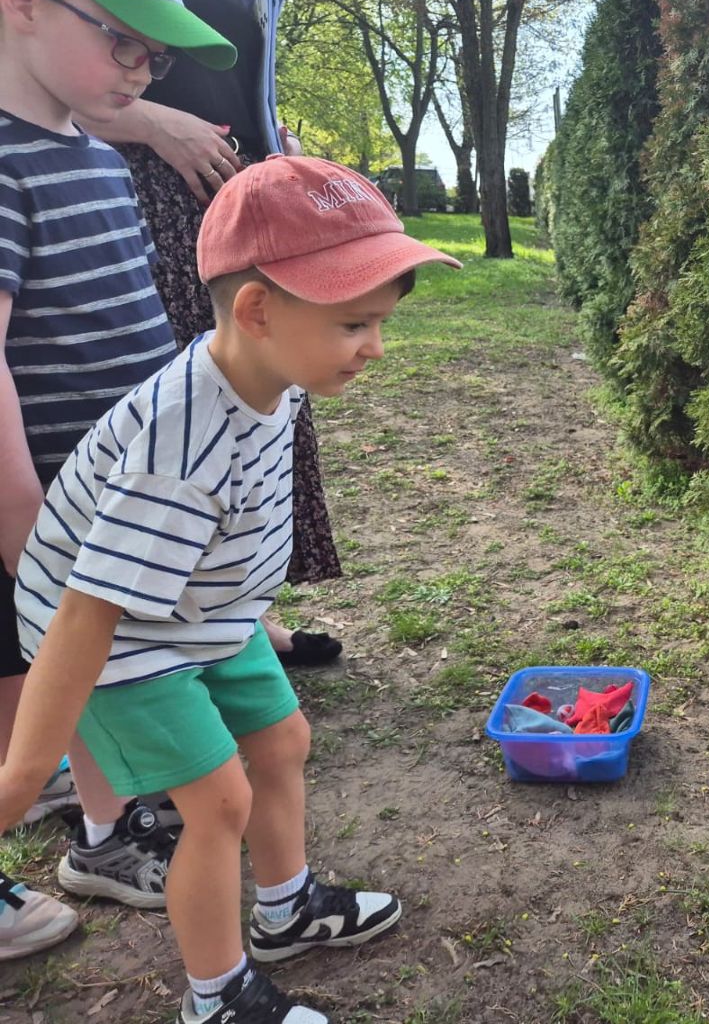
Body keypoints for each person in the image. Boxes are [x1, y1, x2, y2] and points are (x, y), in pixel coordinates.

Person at [1, 153, 460, 1021]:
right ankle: (217, 998)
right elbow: (88, 609)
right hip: (121, 637)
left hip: (205, 609)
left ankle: (286, 911)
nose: (375, 347)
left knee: (282, 740)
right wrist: (25, 772)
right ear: (256, 310)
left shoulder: (269, 375)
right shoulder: (182, 447)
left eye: (379, 322)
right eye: (355, 324)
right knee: (218, 804)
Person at [0, 0, 239, 958]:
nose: (142, 72)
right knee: (24, 690)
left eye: (156, 56)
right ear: (21, 2)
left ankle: (104, 833)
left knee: (82, 673)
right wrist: (25, 521)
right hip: (36, 504)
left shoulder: (96, 154)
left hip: (106, 498)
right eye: (122, 43)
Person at [78, 0, 344, 668]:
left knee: (255, 405)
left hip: (231, 196)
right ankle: (164, 624)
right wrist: (153, 124)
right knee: (184, 412)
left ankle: (243, 616)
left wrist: (267, 133)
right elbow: (38, 74)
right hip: (148, 195)